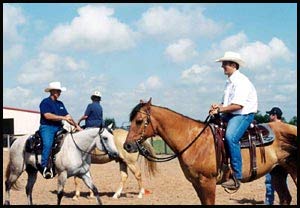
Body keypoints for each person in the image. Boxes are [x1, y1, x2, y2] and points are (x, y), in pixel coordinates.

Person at [209, 51, 258, 190]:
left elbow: (238, 105)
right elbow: (228, 104)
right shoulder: (230, 82)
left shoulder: (241, 81)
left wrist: (219, 110)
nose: (222, 66)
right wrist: (218, 106)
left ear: (233, 65)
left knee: (231, 137)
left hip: (243, 114)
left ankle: (237, 176)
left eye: (224, 64)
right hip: (232, 113)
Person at [39, 81, 82, 179]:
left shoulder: (60, 103)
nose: (59, 93)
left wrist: (77, 127)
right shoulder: (45, 102)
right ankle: (44, 166)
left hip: (59, 127)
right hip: (47, 127)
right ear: (53, 91)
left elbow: (68, 116)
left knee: (70, 141)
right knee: (48, 144)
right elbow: (47, 116)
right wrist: (63, 118)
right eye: (58, 91)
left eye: (59, 91)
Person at [264, 107, 282, 205]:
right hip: (284, 159)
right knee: (282, 182)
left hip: (272, 158)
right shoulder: (285, 127)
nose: (269, 116)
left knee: (269, 182)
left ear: (274, 115)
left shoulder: (270, 128)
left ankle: (268, 202)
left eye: (270, 114)